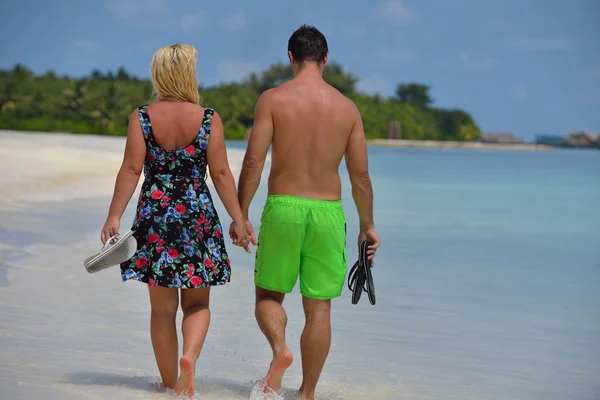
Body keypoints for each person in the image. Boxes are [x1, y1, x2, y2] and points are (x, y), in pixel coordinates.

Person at [235, 25, 381, 399]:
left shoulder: (272, 100)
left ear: (290, 57)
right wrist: (367, 226)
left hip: (284, 207)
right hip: (329, 213)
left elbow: (254, 160)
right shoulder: (347, 108)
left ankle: (279, 351)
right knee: (319, 310)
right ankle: (307, 394)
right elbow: (360, 176)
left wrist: (241, 213)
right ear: (326, 59)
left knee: (268, 296)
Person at [100, 43, 252, 397]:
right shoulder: (209, 118)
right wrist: (239, 218)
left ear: (159, 74)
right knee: (197, 304)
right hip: (196, 215)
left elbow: (131, 169)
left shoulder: (142, 116)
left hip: (154, 216)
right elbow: (222, 174)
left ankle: (170, 386)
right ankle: (190, 358)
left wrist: (114, 216)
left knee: (161, 311)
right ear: (190, 74)